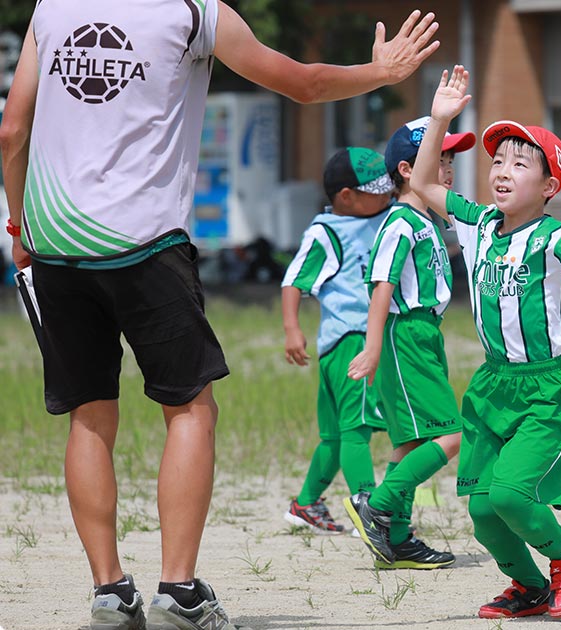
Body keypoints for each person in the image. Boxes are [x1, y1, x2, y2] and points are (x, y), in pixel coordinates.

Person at [0, 2, 440, 628]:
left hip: (58, 247)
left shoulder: (52, 6)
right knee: (189, 409)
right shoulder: (193, 10)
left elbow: (12, 132)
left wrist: (21, 222)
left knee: (89, 416)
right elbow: (303, 82)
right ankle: (178, 592)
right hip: (145, 242)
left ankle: (109, 591)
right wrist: (379, 73)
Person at [409, 66, 561, 620]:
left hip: (544, 389)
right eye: (497, 161)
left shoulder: (555, 237)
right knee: (485, 514)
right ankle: (530, 586)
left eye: (520, 163)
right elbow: (423, 185)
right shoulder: (480, 224)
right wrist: (441, 120)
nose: (502, 171)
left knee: (514, 496)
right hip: (491, 385)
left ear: (548, 186)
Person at [344, 116, 475, 570]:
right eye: (439, 159)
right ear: (406, 169)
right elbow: (382, 284)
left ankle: (397, 539)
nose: (449, 169)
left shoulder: (427, 221)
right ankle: (376, 505)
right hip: (404, 335)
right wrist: (375, 345)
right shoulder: (400, 221)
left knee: (410, 443)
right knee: (452, 435)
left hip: (425, 334)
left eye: (451, 159)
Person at [281, 147, 394, 536]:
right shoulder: (326, 233)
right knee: (357, 429)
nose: (387, 195)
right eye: (377, 190)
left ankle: (307, 503)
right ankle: (372, 508)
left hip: (343, 344)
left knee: (333, 436)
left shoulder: (385, 216)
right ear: (346, 196)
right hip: (350, 341)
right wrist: (292, 328)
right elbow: (295, 280)